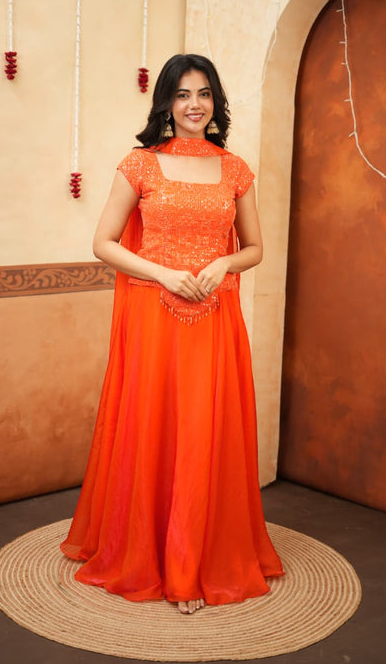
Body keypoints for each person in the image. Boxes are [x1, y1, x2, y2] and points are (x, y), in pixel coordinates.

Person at [60, 54, 284, 615]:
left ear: (215, 102)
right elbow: (103, 243)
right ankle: (146, 553)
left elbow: (255, 247)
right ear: (166, 102)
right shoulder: (140, 163)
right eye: (183, 94)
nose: (194, 105)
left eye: (204, 93)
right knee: (155, 427)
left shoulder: (234, 169)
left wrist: (224, 263)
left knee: (204, 430)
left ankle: (193, 563)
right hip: (153, 317)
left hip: (213, 317)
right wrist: (163, 273)